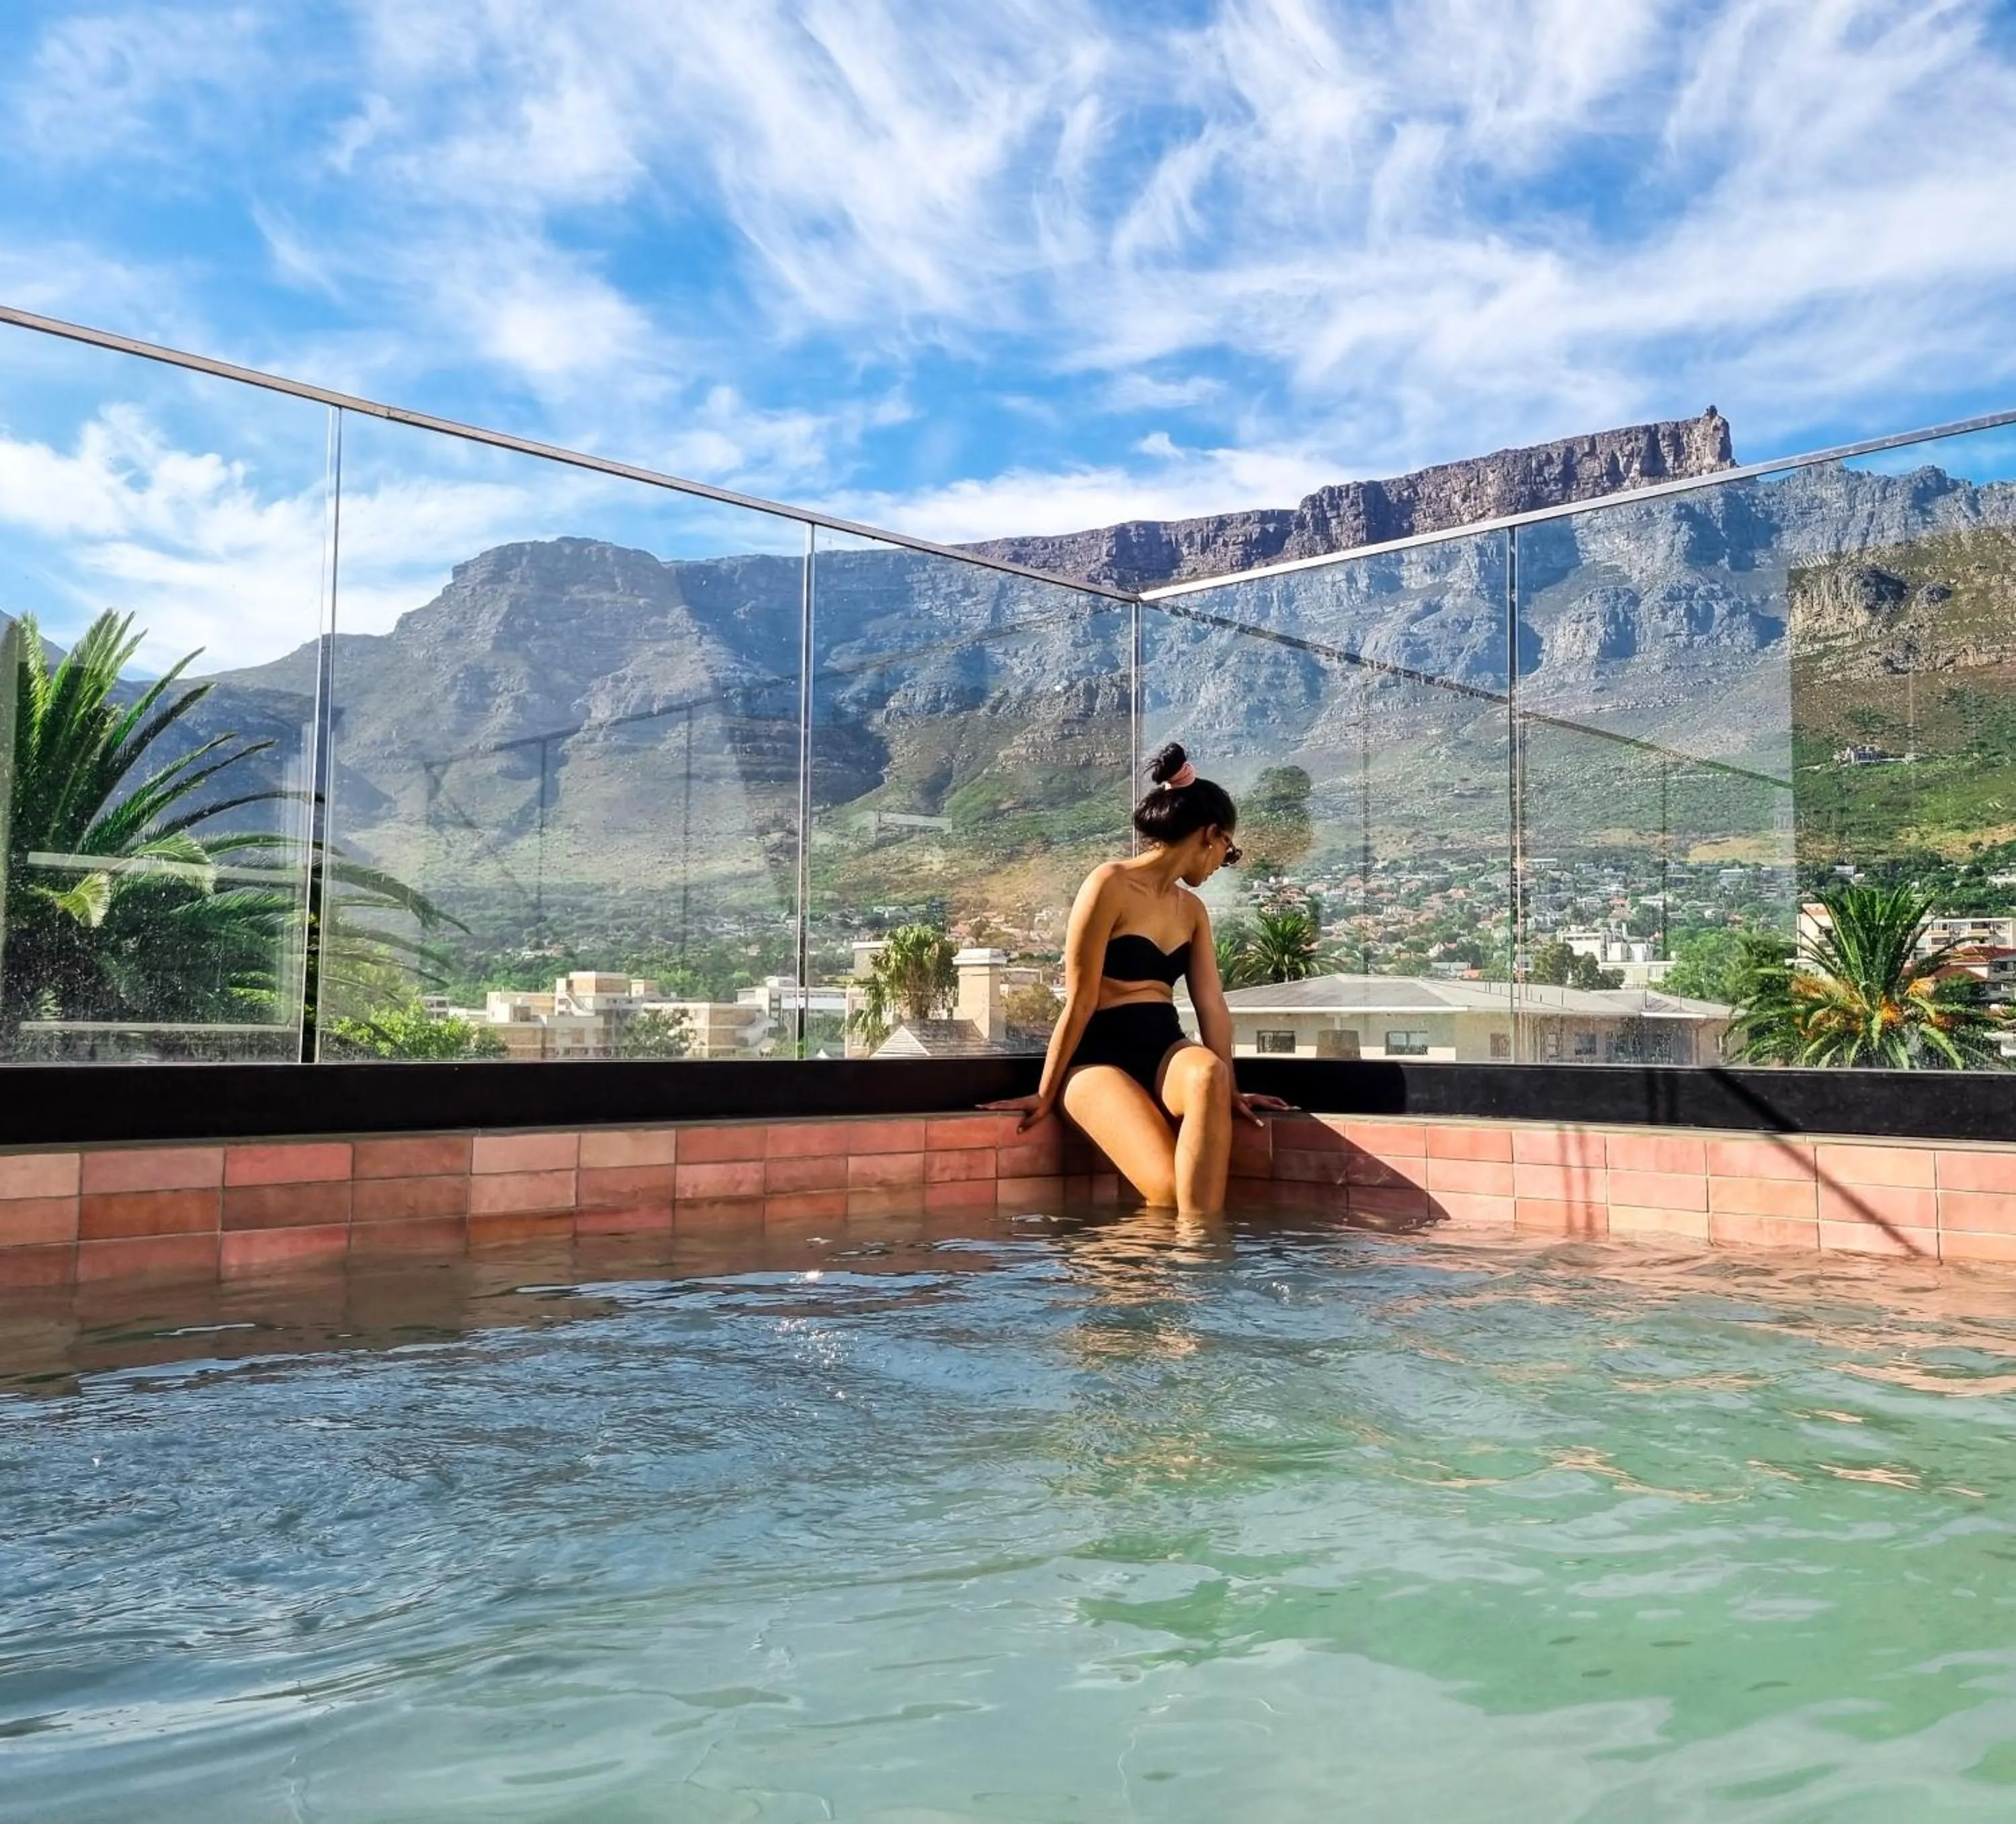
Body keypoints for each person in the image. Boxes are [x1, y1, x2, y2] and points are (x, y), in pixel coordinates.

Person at [985, 742, 1290, 1214]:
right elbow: (1079, 1001)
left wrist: (1230, 1092)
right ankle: (1175, 1249)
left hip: (1165, 1050)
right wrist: (1045, 1093)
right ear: (1210, 835)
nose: (1222, 864)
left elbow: (1212, 1006)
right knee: (1168, 1192)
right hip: (1098, 1060)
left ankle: (1201, 1250)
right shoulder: (1108, 884)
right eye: (1228, 851)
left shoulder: (1193, 911)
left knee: (1208, 1072)